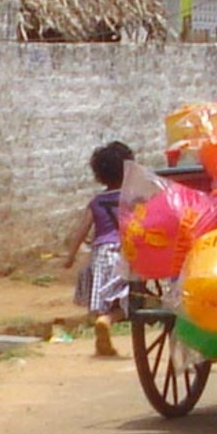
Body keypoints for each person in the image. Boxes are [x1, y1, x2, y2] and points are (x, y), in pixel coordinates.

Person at [64, 141, 134, 357]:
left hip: (101, 254)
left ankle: (101, 339)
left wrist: (70, 256)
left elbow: (81, 231)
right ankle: (109, 320)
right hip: (126, 252)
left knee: (101, 297)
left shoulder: (97, 202)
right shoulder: (133, 197)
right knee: (131, 298)